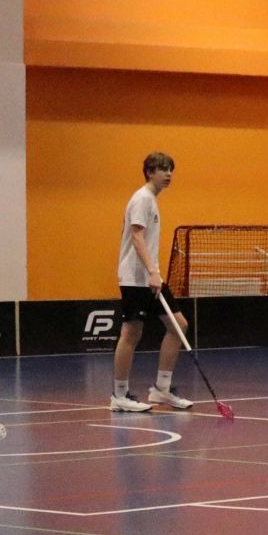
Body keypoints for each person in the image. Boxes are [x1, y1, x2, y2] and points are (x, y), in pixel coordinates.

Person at [110, 151, 191, 413]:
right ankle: (119, 395)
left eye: (170, 169)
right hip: (136, 278)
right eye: (162, 169)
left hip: (150, 277)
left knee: (178, 325)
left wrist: (154, 274)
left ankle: (161, 390)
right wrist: (152, 272)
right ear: (149, 172)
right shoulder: (142, 198)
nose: (168, 174)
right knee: (131, 333)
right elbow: (137, 238)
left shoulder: (152, 200)